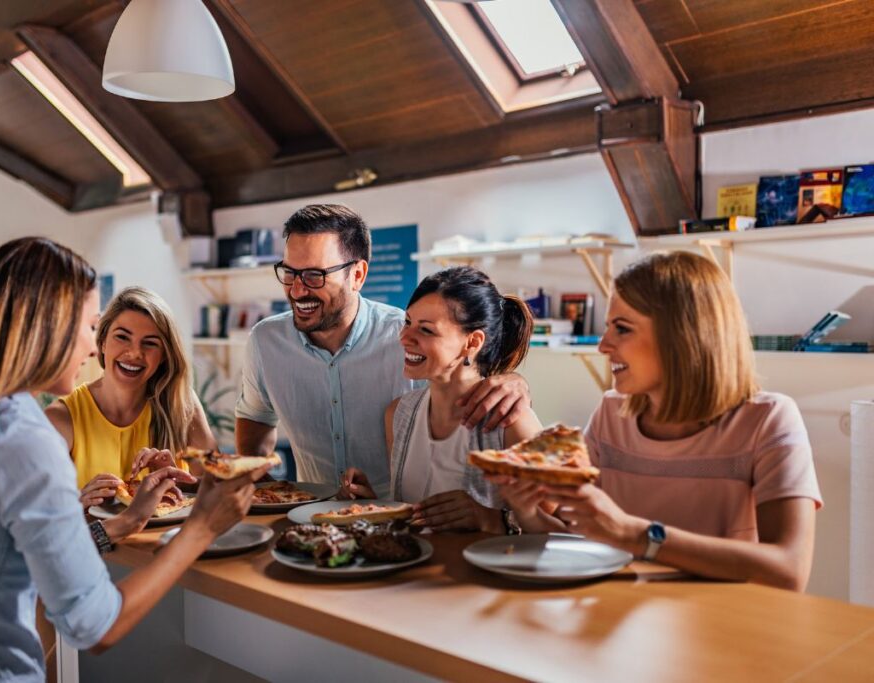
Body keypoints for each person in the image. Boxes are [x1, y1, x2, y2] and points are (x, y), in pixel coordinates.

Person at [0, 237, 267, 682]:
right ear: (49, 327)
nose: (94, 348)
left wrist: (122, 524)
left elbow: (1, 549)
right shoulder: (24, 440)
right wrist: (203, 526)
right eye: (93, 327)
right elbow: (96, 625)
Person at [493, 251, 822, 590]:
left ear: (683, 334)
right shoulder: (611, 413)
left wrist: (636, 535)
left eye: (622, 329)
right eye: (608, 328)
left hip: (724, 627)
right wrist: (529, 514)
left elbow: (789, 569)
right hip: (623, 620)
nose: (604, 346)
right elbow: (588, 545)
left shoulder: (768, 419)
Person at [235, 204, 531, 496]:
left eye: (314, 275)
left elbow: (468, 377)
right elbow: (255, 417)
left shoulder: (403, 338)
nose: (297, 290)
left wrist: (515, 381)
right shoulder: (266, 341)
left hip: (394, 523)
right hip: (310, 518)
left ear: (358, 275)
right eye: (290, 273)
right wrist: (266, 493)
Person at [341, 267, 544, 532]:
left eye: (425, 330)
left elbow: (553, 535)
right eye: (407, 322)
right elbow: (413, 517)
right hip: (412, 572)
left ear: (472, 343)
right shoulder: (399, 415)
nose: (404, 338)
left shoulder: (512, 424)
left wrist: (494, 519)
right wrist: (375, 505)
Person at [46, 286, 216, 522]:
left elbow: (217, 491)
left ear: (165, 355)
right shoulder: (60, 419)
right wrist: (76, 502)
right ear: (102, 342)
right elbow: (35, 522)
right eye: (122, 337)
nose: (134, 353)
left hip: (169, 549)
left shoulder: (181, 403)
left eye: (150, 343)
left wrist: (178, 482)